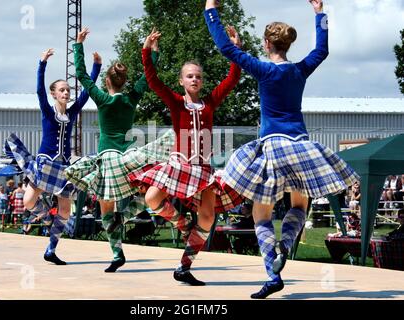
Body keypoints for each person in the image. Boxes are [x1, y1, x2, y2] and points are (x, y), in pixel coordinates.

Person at [205, 0, 359, 298]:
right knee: (299, 207)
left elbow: (227, 50)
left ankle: (271, 272)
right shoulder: (299, 71)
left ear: (266, 44)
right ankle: (285, 247)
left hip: (272, 148)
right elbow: (322, 50)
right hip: (301, 146)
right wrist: (320, 15)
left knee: (261, 215)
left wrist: (211, 9)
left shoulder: (264, 70)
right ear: (287, 45)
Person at [128, 28, 243, 286]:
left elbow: (232, 79)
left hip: (203, 170)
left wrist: (236, 50)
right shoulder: (176, 102)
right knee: (151, 197)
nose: (195, 80)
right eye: (190, 76)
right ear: (181, 81)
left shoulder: (210, 102)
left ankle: (184, 266)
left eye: (198, 77)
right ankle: (182, 225)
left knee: (207, 218)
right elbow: (153, 81)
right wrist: (147, 51)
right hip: (179, 165)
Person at [65, 27, 174, 272]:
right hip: (129, 158)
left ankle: (117, 252)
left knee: (106, 208)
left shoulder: (102, 99)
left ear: (106, 82)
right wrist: (151, 51)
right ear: (125, 82)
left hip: (108, 160)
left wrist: (78, 45)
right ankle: (123, 218)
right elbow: (148, 77)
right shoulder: (131, 98)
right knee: (145, 197)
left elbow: (81, 75)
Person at [5, 48, 102, 265]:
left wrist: (96, 68)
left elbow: (86, 93)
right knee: (29, 201)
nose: (66, 93)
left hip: (63, 167)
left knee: (66, 211)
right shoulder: (48, 111)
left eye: (68, 90)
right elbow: (39, 90)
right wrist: (42, 64)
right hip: (45, 164)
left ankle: (51, 249)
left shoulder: (73, 111)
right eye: (62, 90)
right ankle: (49, 220)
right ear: (54, 94)